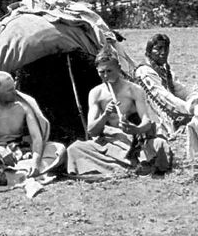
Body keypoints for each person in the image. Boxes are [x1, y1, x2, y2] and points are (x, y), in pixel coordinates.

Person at [67, 47, 172, 177]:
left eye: (109, 71)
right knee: (74, 149)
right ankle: (130, 166)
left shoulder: (134, 90)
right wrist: (105, 115)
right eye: (102, 72)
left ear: (118, 68)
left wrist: (135, 129)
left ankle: (124, 166)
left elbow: (147, 122)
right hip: (111, 143)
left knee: (160, 145)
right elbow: (91, 130)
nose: (105, 76)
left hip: (135, 142)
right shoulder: (96, 93)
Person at [0, 71, 66, 186]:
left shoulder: (23, 106)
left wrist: (35, 162)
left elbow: (36, 138)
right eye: (9, 90)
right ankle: (19, 173)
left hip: (21, 152)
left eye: (13, 88)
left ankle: (15, 174)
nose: (14, 92)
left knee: (58, 149)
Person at [134, 34, 191, 135]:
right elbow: (164, 97)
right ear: (149, 51)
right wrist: (191, 108)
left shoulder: (164, 70)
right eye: (158, 48)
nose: (163, 52)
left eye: (166, 48)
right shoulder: (144, 71)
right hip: (154, 117)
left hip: (168, 113)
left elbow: (181, 90)